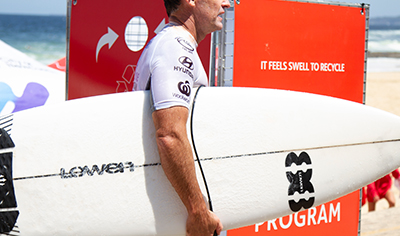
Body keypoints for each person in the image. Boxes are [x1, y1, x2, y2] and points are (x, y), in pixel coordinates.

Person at [133, 0, 231, 235]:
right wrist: (197, 210)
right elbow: (169, 135)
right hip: (174, 214)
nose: (227, 3)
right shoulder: (175, 46)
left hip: (168, 207)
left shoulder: (174, 44)